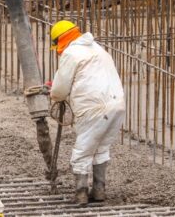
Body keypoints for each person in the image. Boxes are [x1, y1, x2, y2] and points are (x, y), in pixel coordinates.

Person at [49, 20, 126, 205]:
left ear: (60, 41)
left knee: (82, 151)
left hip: (93, 109)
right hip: (117, 106)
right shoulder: (98, 49)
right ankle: (99, 191)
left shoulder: (71, 53)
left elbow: (59, 90)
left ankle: (81, 193)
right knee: (101, 148)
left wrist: (54, 94)